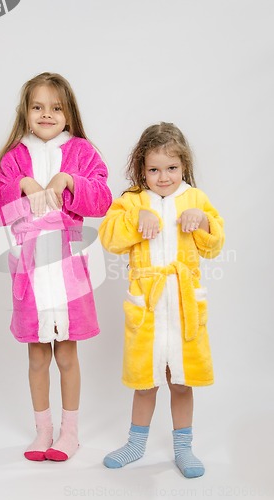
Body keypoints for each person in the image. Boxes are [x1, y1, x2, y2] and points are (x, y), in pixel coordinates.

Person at [0, 72, 112, 462]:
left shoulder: (82, 152)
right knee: (37, 354)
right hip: (31, 268)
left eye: (55, 107)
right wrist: (23, 183)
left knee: (67, 353)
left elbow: (103, 200)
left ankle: (69, 432)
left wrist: (68, 179)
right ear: (25, 112)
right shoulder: (12, 157)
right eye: (37, 106)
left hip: (67, 265)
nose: (46, 114)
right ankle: (42, 430)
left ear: (68, 113)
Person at [98, 122, 224, 478]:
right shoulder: (131, 201)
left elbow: (215, 244)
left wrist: (202, 223)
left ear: (184, 166)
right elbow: (109, 237)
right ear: (141, 169)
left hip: (184, 305)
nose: (163, 176)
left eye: (171, 168)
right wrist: (137, 218)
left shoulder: (196, 200)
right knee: (145, 380)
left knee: (181, 381)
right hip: (148, 307)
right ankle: (136, 444)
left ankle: (183, 448)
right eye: (153, 169)